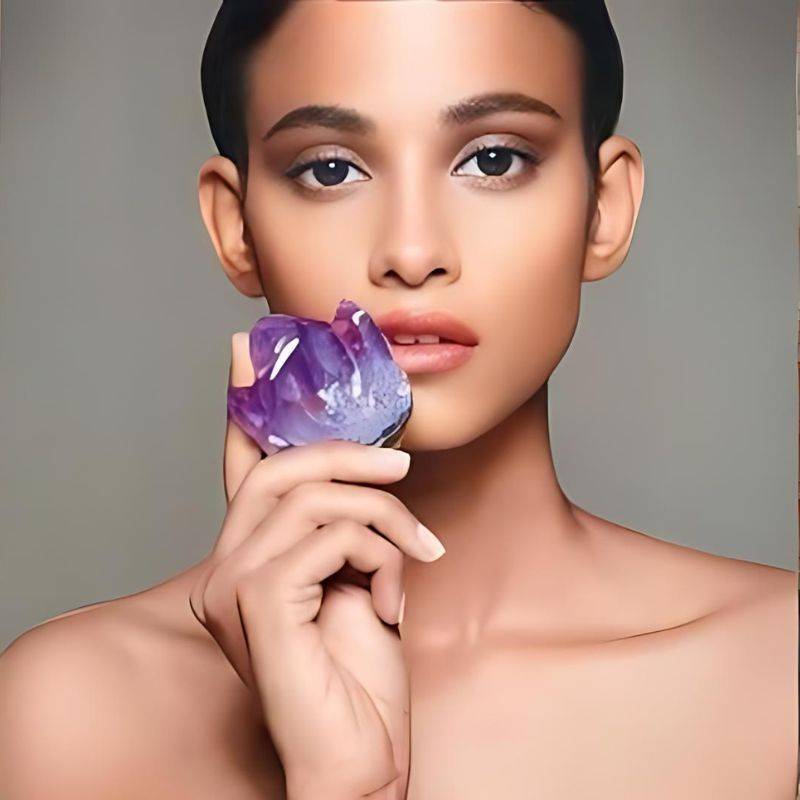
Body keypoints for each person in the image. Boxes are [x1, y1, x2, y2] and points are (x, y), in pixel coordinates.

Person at [1, 1, 796, 798]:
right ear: (235, 226)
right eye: (330, 169)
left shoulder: (778, 678)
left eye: (493, 160)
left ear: (604, 208)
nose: (412, 252)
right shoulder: (69, 716)